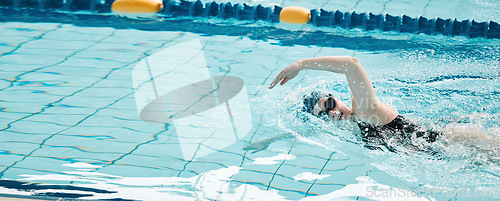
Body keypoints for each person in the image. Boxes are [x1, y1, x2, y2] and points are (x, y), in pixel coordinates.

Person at [248, 56, 442, 153]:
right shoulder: (351, 129)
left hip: (452, 141)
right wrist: (269, 141)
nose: (332, 112)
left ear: (337, 98)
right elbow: (304, 133)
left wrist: (301, 64)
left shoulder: (365, 111)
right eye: (323, 115)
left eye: (330, 103)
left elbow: (352, 65)